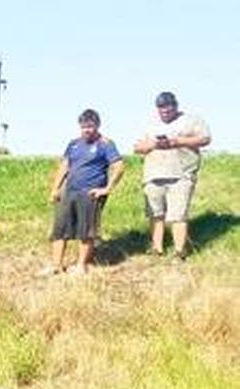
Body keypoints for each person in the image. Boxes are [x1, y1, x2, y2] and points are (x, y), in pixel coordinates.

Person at [42, 109, 125, 276]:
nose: (87, 130)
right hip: (69, 191)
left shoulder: (106, 144)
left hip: (90, 193)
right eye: (84, 127)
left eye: (90, 126)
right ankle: (56, 265)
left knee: (86, 232)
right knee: (60, 229)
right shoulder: (74, 144)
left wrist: (107, 189)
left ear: (97, 125)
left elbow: (119, 166)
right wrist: (55, 189)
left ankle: (81, 266)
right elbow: (64, 166)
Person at [134, 91, 211, 259]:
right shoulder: (150, 124)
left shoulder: (191, 121)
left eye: (168, 109)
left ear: (175, 106)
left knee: (179, 215)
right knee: (155, 214)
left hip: (181, 175)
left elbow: (205, 139)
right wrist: (154, 144)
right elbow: (137, 147)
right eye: (161, 110)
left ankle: (179, 251)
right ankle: (157, 248)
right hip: (154, 175)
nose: (165, 113)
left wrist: (178, 141)